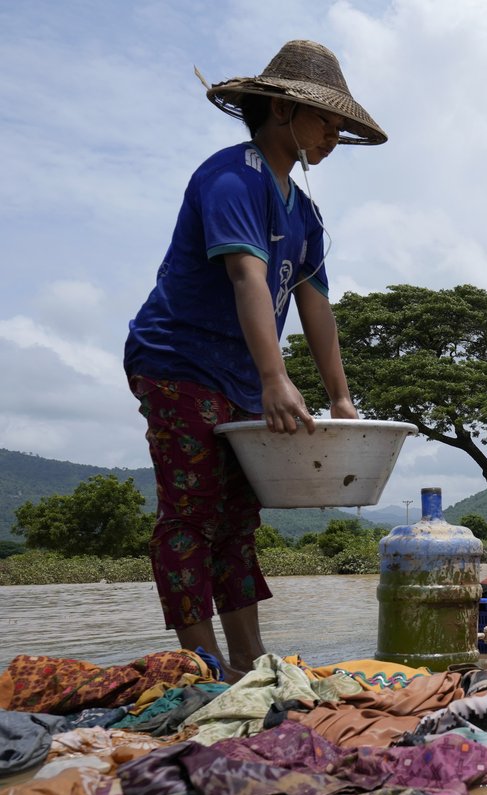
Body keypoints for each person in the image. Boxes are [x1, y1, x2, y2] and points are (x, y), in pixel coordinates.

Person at [124, 40, 386, 679]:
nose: (333, 134)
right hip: (177, 362)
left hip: (241, 377)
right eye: (326, 120)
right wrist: (275, 377)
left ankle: (248, 659)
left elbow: (316, 306)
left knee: (239, 518)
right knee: (192, 510)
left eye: (339, 125)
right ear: (279, 110)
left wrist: (341, 398)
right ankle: (201, 664)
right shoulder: (231, 177)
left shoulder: (306, 212)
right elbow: (247, 276)